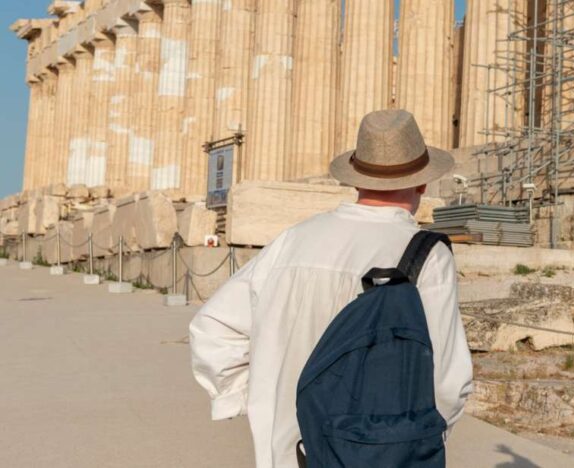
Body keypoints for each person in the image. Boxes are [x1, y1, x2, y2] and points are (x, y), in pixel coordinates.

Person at [189, 109, 474, 468]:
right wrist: (418, 438)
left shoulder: (293, 241)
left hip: (286, 452)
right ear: (422, 182)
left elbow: (212, 327)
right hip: (380, 453)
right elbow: (448, 380)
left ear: (355, 180)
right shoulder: (426, 255)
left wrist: (256, 398)